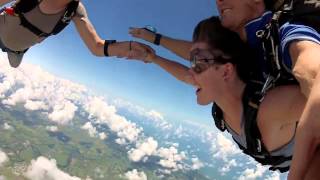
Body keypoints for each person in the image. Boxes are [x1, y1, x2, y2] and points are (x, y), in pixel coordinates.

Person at [128, 16, 320, 177]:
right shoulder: (222, 100)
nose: (191, 72)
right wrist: (152, 55)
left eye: (197, 65)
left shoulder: (271, 107)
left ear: (227, 71)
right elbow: (190, 71)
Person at [213, 0, 320, 179]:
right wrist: (156, 41)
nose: (218, 1)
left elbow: (308, 60)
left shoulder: (286, 29)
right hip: (273, 144)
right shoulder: (231, 47)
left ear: (257, 2)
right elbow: (196, 56)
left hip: (297, 142)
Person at [0, 0, 152, 67]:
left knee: (14, 64)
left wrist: (129, 46)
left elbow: (97, 47)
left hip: (17, 50)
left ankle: (17, 51)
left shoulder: (75, 11)